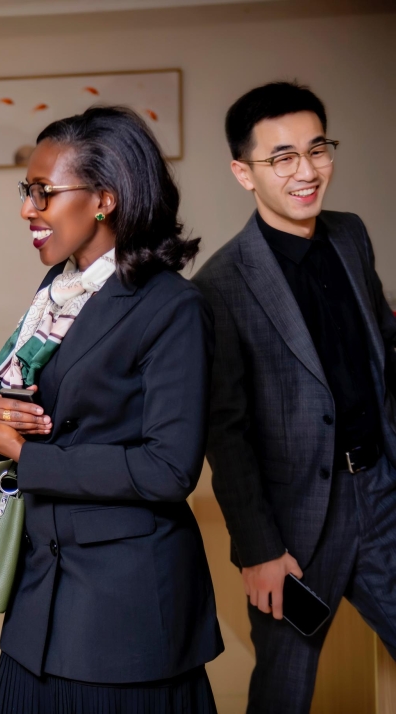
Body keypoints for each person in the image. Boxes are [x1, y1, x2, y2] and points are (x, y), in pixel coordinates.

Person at [0, 106, 224, 713]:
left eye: (43, 192)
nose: (28, 209)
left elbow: (168, 470)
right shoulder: (56, 293)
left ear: (105, 199)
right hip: (39, 601)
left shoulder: (173, 307)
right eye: (26, 191)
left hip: (124, 611)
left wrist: (28, 457)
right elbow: (57, 406)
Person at [194, 81, 396, 713]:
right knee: (285, 688)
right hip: (298, 525)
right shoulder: (219, 284)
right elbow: (226, 432)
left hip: (382, 493)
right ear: (243, 173)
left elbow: (382, 352)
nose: (306, 172)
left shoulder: (350, 235)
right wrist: (259, 551)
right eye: (282, 157)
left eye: (318, 150)